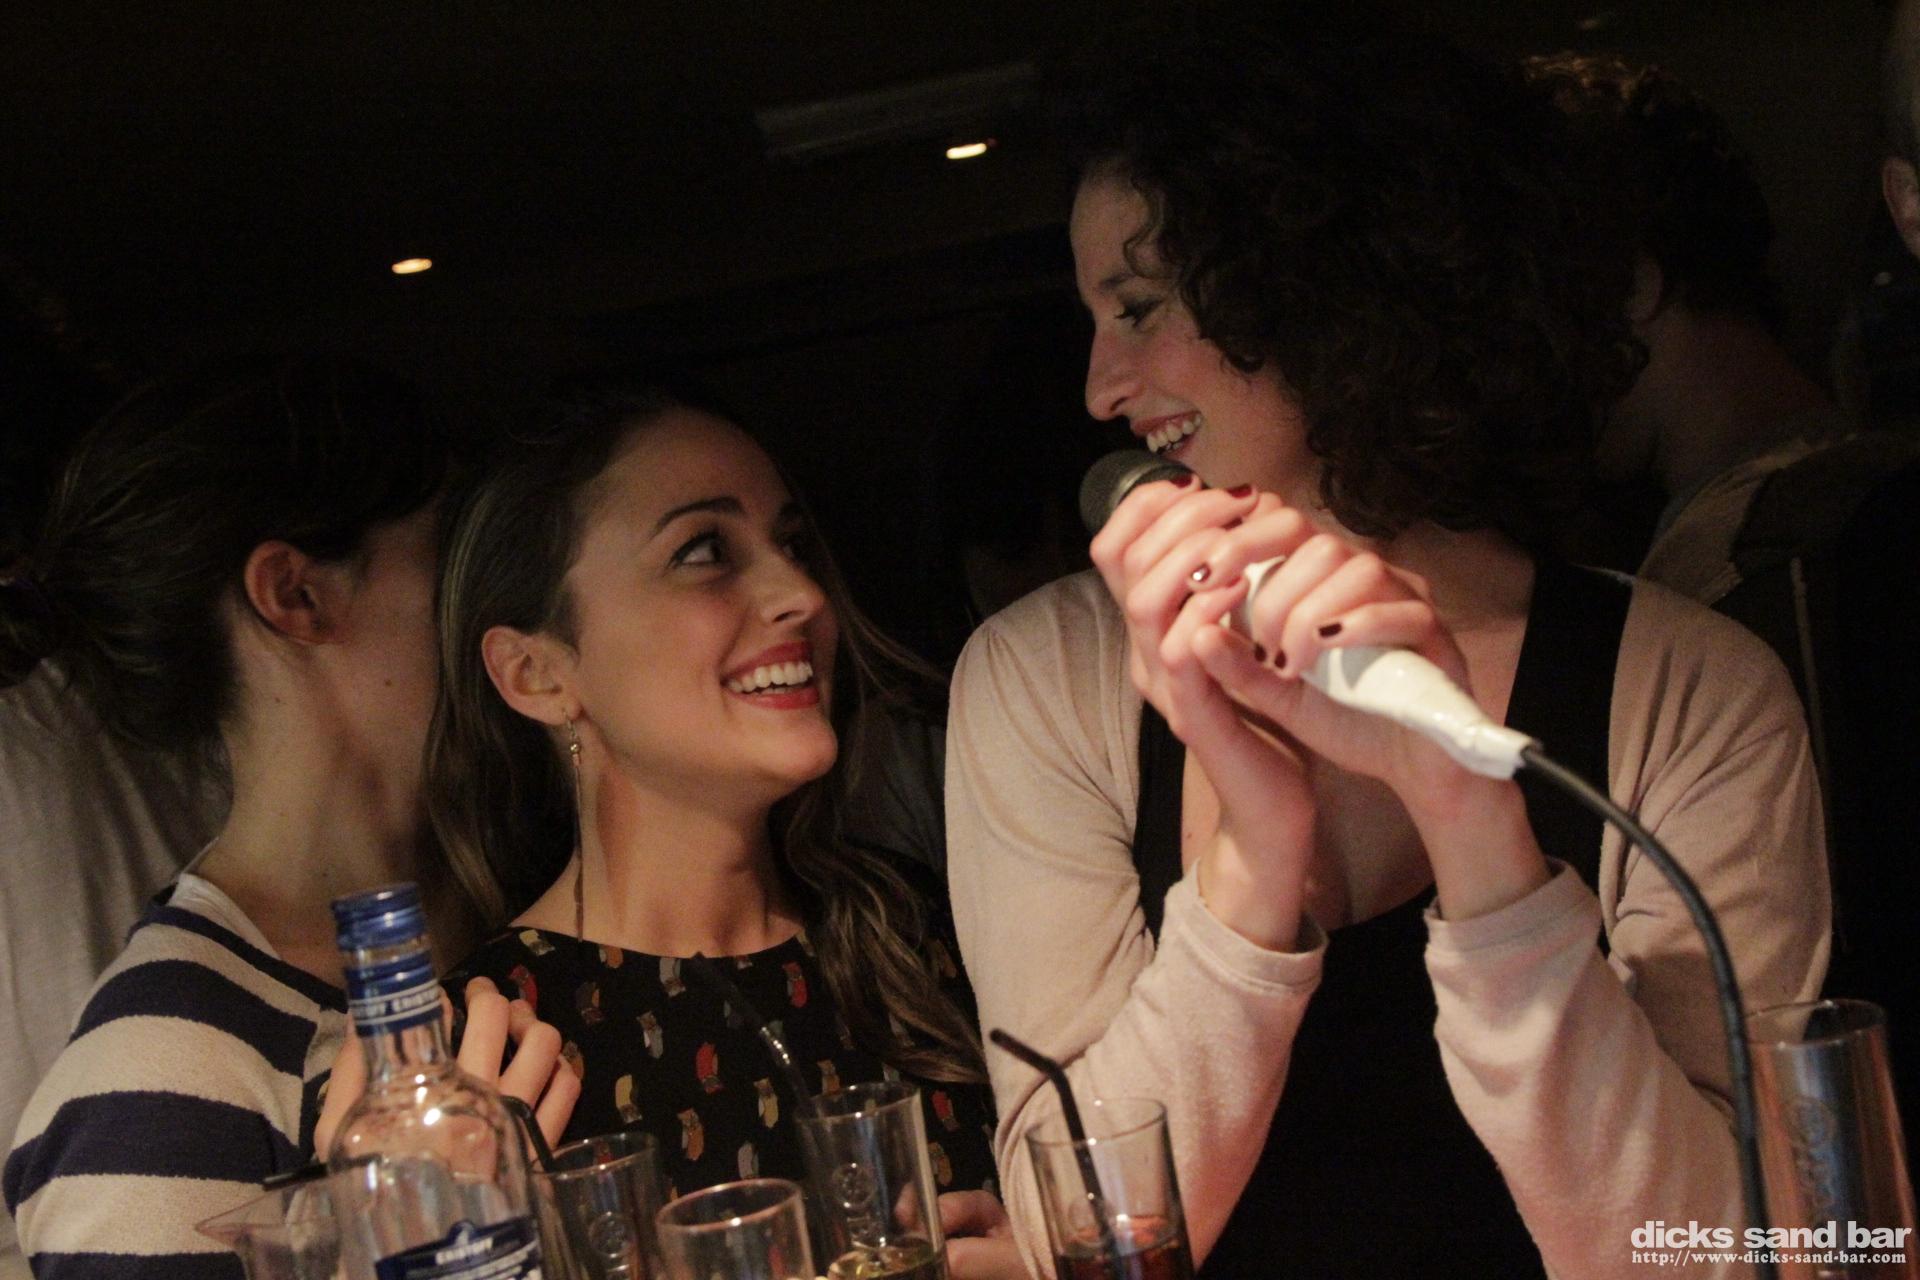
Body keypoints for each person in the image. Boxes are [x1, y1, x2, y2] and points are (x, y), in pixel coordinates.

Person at [946, 10, 1829, 1279]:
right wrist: (1254, 863)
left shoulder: (1693, 690)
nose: (1099, 385)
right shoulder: (1041, 684)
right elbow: (1076, 1237)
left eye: (1138, 307)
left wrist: (1473, 825)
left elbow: (1733, 1252)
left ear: (1323, 286)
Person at [0, 357, 576, 1279]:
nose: (497, 602)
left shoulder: (529, 905)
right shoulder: (157, 1079)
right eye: (450, 554)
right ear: (295, 595)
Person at [429, 385, 1010, 1269]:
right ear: (537, 674)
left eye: (792, 545)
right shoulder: (491, 1049)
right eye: (704, 552)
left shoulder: (915, 926)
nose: (802, 595)